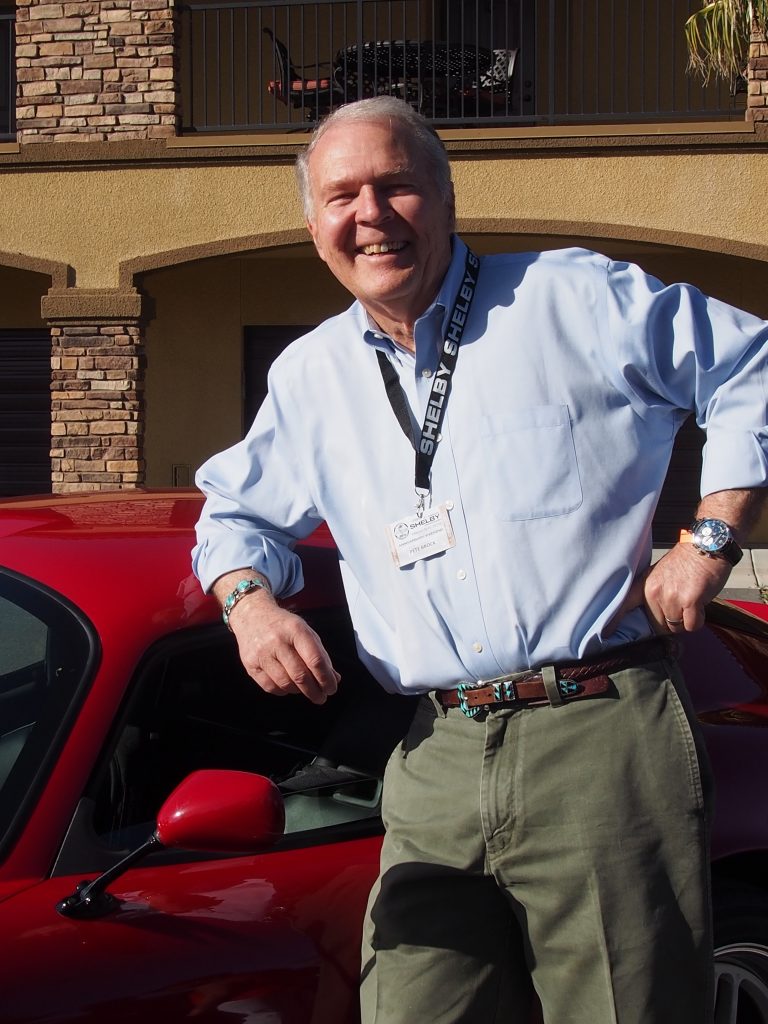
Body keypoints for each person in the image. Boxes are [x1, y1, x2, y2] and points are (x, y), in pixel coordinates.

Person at [192, 96, 768, 1024]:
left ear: (447, 198)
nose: (370, 215)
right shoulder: (310, 375)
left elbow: (752, 367)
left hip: (600, 733)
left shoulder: (572, 297)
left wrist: (708, 539)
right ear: (312, 224)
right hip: (434, 752)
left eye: (396, 186)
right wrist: (250, 604)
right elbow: (234, 513)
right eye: (342, 195)